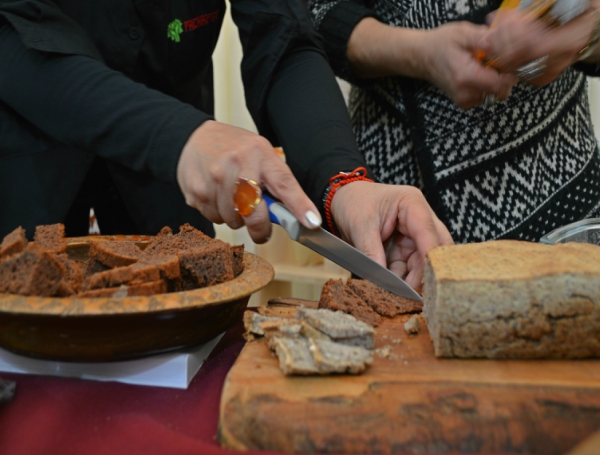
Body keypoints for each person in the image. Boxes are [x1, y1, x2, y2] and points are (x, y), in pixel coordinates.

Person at [0, 0, 452, 289]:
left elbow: (285, 38)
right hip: (24, 182)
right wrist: (176, 136)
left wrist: (345, 184)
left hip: (165, 206)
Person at [307, 0, 600, 244]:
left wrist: (588, 31)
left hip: (567, 180)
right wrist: (420, 53)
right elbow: (304, 19)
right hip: (411, 211)